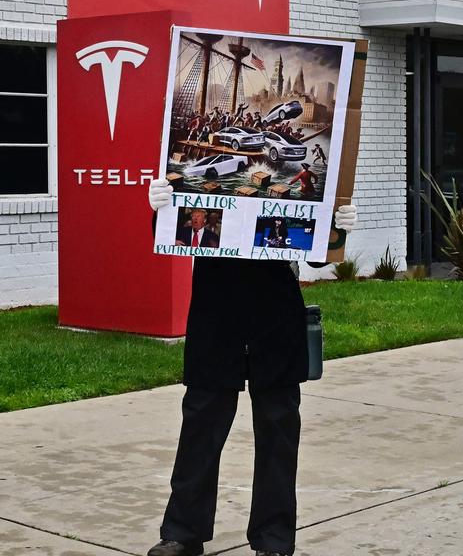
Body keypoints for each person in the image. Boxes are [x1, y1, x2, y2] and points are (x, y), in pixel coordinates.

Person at [145, 179, 357, 556]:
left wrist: (334, 226)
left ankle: (273, 539)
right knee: (201, 422)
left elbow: (317, 256)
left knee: (278, 427)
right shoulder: (202, 189)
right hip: (215, 313)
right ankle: (182, 532)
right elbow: (174, 236)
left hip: (275, 315)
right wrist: (160, 209)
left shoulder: (287, 188)